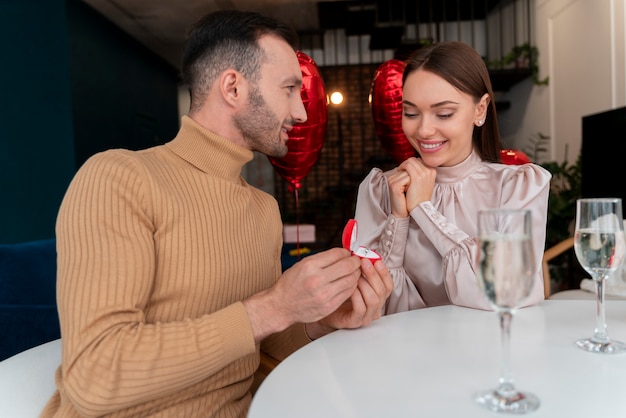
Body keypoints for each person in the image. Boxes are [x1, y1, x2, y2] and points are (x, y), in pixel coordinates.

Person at [41, 10, 392, 418]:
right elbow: (94, 377)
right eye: (289, 89)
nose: (301, 112)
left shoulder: (262, 208)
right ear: (232, 87)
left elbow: (262, 344)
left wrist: (320, 319)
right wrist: (275, 306)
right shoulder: (119, 178)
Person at [354, 41, 551, 314]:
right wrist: (398, 221)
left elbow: (507, 292)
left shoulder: (517, 186)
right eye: (410, 113)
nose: (424, 130)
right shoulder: (380, 189)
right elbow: (371, 308)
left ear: (480, 110)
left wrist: (423, 209)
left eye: (444, 114)